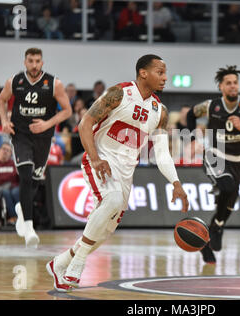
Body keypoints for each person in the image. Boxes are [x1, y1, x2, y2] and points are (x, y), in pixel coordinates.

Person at [46, 54, 189, 292]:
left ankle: (59, 263)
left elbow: (162, 154)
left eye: (165, 73)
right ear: (143, 73)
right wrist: (95, 158)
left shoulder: (160, 111)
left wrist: (176, 182)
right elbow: (85, 124)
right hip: (100, 161)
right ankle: (78, 263)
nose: (165, 78)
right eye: (160, 72)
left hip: (125, 172)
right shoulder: (119, 93)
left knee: (104, 231)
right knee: (110, 201)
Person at [186, 65, 240, 264]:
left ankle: (212, 233)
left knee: (229, 203)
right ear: (221, 87)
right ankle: (217, 220)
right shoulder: (211, 105)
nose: (233, 86)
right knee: (227, 185)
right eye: (228, 83)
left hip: (237, 161)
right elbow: (190, 115)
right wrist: (193, 138)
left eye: (235, 83)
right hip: (215, 154)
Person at [0, 47, 72, 248]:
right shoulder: (14, 81)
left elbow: (67, 111)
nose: (34, 65)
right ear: (25, 62)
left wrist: (47, 125)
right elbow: (2, 100)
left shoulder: (54, 84)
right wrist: (4, 120)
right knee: (25, 175)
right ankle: (30, 229)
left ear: (42, 62)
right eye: (30, 61)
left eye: (37, 61)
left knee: (36, 181)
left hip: (43, 137)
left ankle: (23, 207)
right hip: (20, 135)